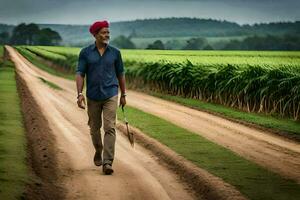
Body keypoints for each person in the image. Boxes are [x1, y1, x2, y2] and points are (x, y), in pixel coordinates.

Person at [76, 20, 126, 175]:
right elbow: (80, 74)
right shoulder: (85, 53)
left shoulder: (115, 53)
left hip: (111, 94)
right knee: (94, 128)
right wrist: (79, 94)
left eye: (108, 32)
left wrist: (123, 94)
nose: (107, 35)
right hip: (93, 96)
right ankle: (98, 149)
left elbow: (120, 74)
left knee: (110, 127)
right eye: (103, 32)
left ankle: (107, 162)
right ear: (95, 34)